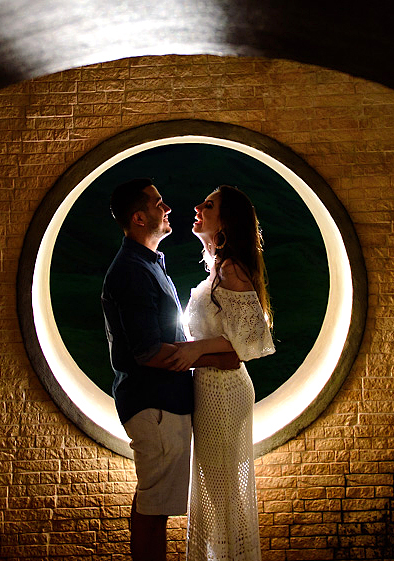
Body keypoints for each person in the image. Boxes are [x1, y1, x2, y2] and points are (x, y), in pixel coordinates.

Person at [101, 178, 238, 561]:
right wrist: (217, 357)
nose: (168, 208)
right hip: (155, 405)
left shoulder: (148, 263)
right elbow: (147, 352)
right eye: (159, 203)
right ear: (139, 217)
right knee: (153, 509)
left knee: (155, 505)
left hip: (163, 403)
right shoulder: (131, 270)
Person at [165, 185, 276, 561]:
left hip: (224, 392)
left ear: (225, 222)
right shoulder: (218, 267)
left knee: (222, 495)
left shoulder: (231, 268)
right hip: (210, 387)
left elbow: (252, 342)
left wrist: (196, 349)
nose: (197, 206)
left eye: (208, 205)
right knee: (217, 491)